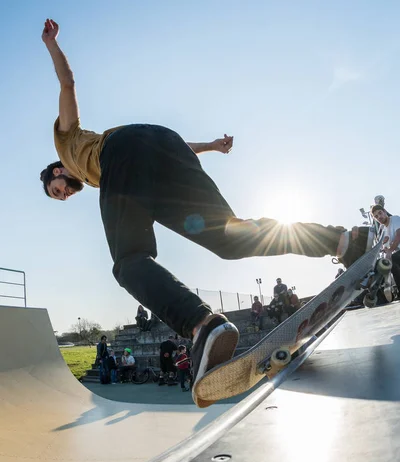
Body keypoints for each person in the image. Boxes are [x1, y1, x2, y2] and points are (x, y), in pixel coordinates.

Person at [40, 19, 375, 400]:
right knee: (229, 237)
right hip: (164, 147)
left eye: (57, 190)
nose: (65, 194)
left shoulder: (66, 142)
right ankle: (345, 241)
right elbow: (166, 146)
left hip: (125, 156)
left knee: (129, 260)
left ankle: (201, 325)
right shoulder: (99, 170)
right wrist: (212, 146)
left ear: (56, 170)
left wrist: (52, 44)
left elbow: (67, 84)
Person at [371, 204, 400, 300]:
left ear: (384, 211)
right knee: (380, 265)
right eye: (376, 216)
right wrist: (384, 248)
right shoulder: (382, 230)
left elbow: (398, 235)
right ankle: (375, 295)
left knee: (393, 259)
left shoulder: (394, 219)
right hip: (395, 255)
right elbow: (384, 248)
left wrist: (390, 250)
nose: (379, 217)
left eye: (380, 213)